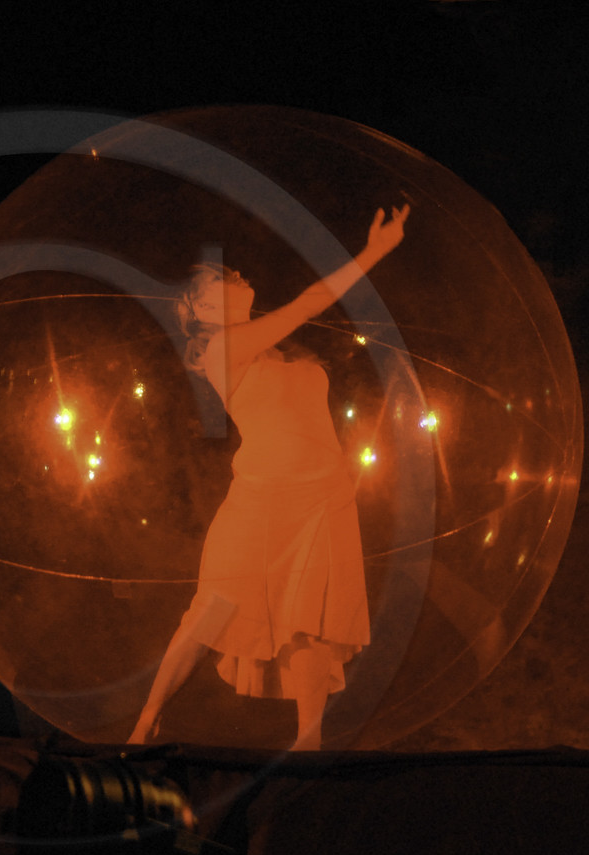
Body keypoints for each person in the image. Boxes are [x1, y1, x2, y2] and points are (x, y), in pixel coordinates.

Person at [127, 204, 410, 751]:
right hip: (261, 499)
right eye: (222, 277)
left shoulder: (281, 350)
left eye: (234, 271)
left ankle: (309, 739)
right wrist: (374, 252)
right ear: (202, 308)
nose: (237, 274)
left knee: (311, 619)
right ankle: (147, 722)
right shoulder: (222, 349)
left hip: (322, 498)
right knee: (212, 608)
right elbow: (309, 302)